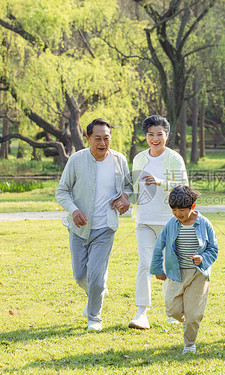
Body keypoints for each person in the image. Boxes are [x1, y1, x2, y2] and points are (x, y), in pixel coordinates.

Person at [56, 118, 132, 331]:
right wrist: (74, 210)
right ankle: (98, 292)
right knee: (80, 275)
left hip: (105, 227)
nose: (102, 143)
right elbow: (61, 191)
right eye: (97, 138)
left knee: (96, 276)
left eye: (106, 138)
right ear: (87, 138)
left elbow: (128, 187)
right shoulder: (76, 160)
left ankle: (94, 318)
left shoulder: (119, 160)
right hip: (79, 226)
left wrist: (125, 197)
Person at [129, 115, 188, 330]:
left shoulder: (174, 158)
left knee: (168, 264)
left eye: (159, 134)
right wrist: (124, 200)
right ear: (146, 136)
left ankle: (172, 311)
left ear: (167, 136)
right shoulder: (139, 159)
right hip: (144, 220)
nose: (155, 139)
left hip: (169, 221)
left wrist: (160, 182)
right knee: (145, 264)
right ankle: (141, 313)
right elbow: (134, 189)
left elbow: (183, 187)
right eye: (151, 134)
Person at [150, 185, 218, 354]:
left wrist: (203, 259)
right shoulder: (171, 225)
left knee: (194, 315)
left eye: (182, 210)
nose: (178, 214)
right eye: (174, 210)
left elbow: (213, 249)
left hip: (198, 275)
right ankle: (187, 321)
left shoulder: (204, 224)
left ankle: (189, 344)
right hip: (176, 273)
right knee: (171, 309)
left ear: (192, 206)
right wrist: (158, 269)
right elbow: (159, 247)